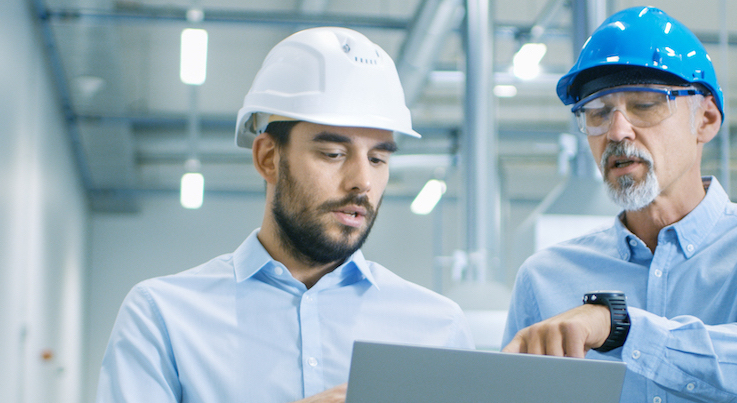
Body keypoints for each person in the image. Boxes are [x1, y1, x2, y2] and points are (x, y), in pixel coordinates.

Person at [97, 27, 473, 403]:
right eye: (333, 154)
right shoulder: (163, 317)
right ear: (268, 158)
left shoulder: (438, 328)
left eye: (378, 159)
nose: (362, 182)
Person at [501, 7, 737, 403]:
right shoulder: (544, 280)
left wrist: (620, 328)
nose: (617, 131)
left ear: (705, 119)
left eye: (645, 104)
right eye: (598, 112)